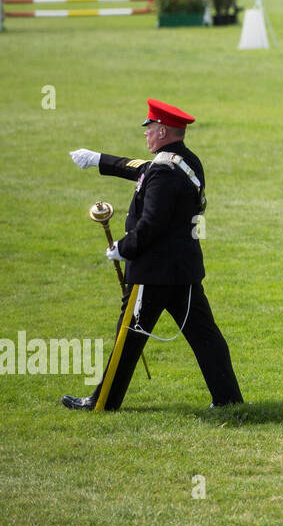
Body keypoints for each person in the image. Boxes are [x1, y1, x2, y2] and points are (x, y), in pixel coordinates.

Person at [63, 100, 242, 411]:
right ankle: (227, 398)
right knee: (205, 336)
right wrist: (98, 160)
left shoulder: (163, 171)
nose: (145, 134)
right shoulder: (184, 162)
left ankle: (102, 402)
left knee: (127, 340)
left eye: (149, 129)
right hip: (181, 271)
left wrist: (123, 248)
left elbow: (152, 224)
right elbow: (140, 168)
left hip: (152, 274)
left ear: (162, 130)